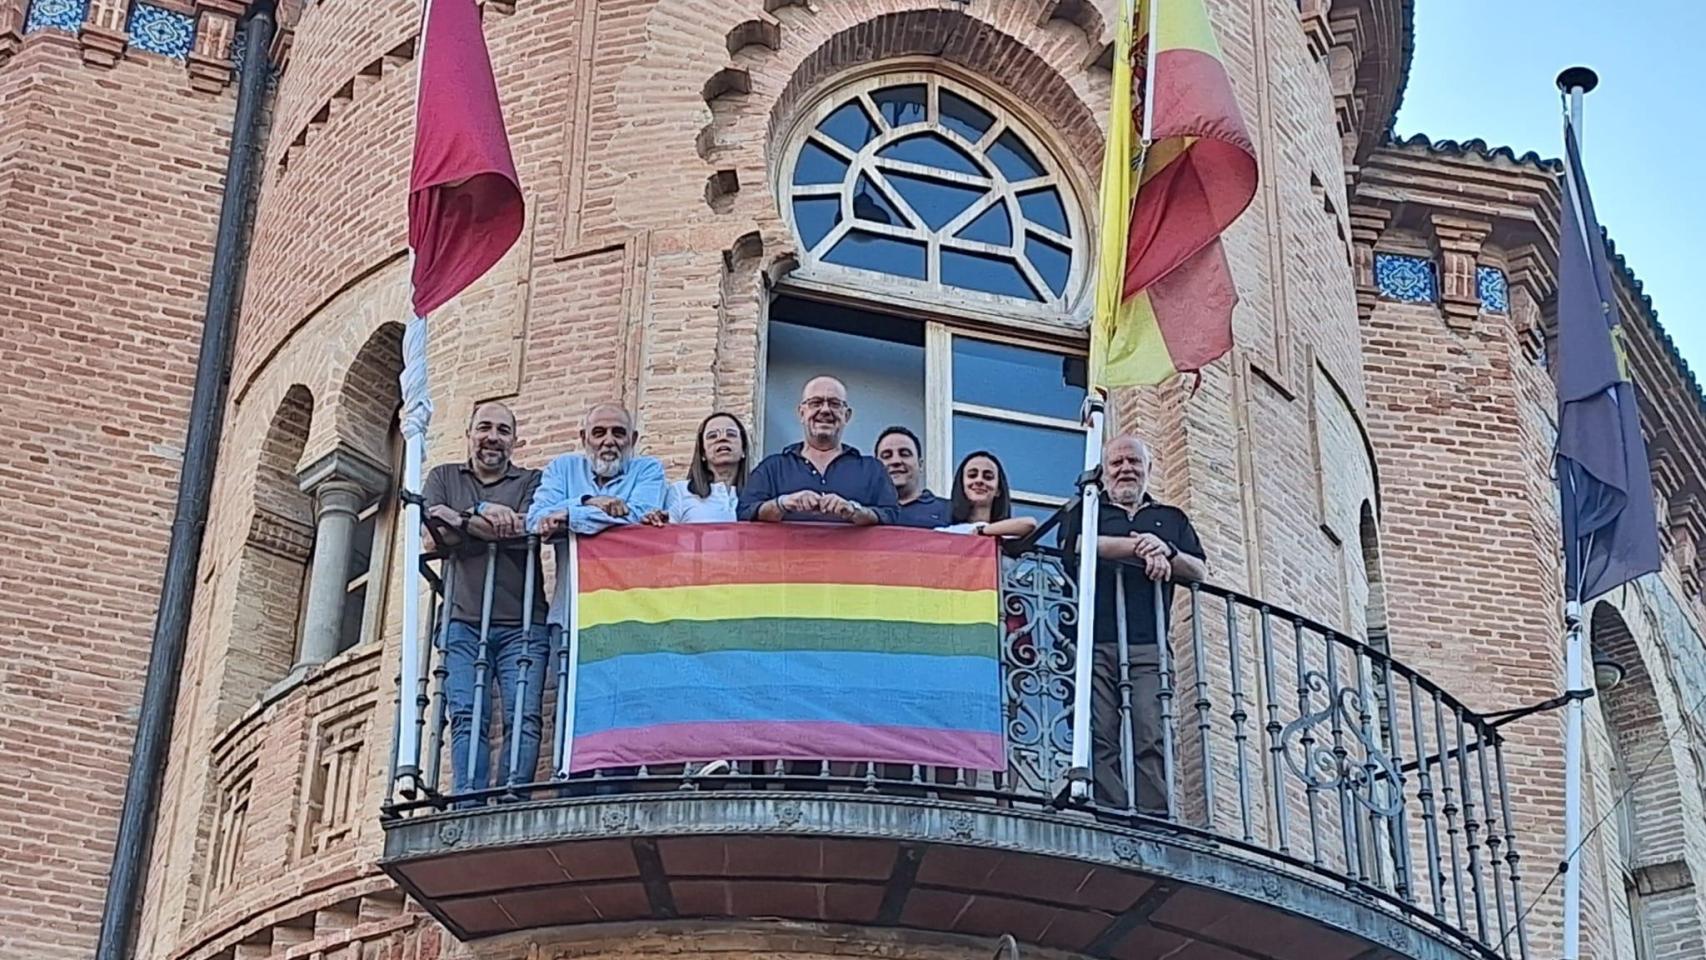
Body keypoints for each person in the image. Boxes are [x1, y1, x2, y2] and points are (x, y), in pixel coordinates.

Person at [1062, 434, 1207, 816]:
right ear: (1104, 472)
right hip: (1095, 638)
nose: (1126, 469)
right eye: (1117, 463)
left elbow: (1198, 570)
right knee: (1101, 731)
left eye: (1133, 462)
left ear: (1148, 469)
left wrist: (1168, 549)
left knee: (1151, 731)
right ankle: (1110, 811)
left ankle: (1153, 816)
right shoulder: (1088, 510)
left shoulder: (1170, 519)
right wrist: (1141, 547)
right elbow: (1076, 546)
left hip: (1149, 644)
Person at [422, 401, 549, 799]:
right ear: (469, 434)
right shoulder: (442, 476)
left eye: (502, 430)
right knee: (466, 715)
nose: (493, 437)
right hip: (462, 620)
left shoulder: (532, 481)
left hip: (524, 624)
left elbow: (524, 529)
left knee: (524, 716)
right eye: (484, 428)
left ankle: (513, 797)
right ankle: (467, 800)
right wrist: (485, 516)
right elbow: (431, 537)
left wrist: (462, 518)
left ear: (514, 439)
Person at [528, 402, 665, 621]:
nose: (608, 441)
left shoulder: (648, 470)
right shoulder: (563, 468)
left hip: (631, 611)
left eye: (618, 433)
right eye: (599, 433)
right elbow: (535, 519)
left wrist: (570, 515)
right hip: (570, 612)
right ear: (584, 438)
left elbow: (639, 517)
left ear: (633, 439)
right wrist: (590, 501)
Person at [738, 376, 898, 525]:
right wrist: (783, 503)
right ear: (801, 413)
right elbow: (744, 513)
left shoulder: (872, 470)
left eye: (835, 404)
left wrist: (854, 510)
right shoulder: (772, 469)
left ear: (847, 415)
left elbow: (892, 516)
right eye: (816, 403)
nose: (825, 410)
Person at [646, 412, 749, 525]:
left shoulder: (758, 497)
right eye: (712, 436)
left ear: (743, 450)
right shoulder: (680, 492)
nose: (722, 438)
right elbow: (666, 533)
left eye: (731, 434)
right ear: (703, 453)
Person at [937, 450, 1039, 538]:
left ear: (998, 490)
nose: (979, 480)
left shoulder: (1005, 533)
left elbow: (1030, 524)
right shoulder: (946, 533)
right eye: (972, 475)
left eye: (988, 477)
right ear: (961, 485)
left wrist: (982, 531)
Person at [876, 426, 951, 528]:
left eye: (905, 454)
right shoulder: (861, 514)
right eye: (886, 456)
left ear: (920, 464)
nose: (895, 461)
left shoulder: (950, 512)